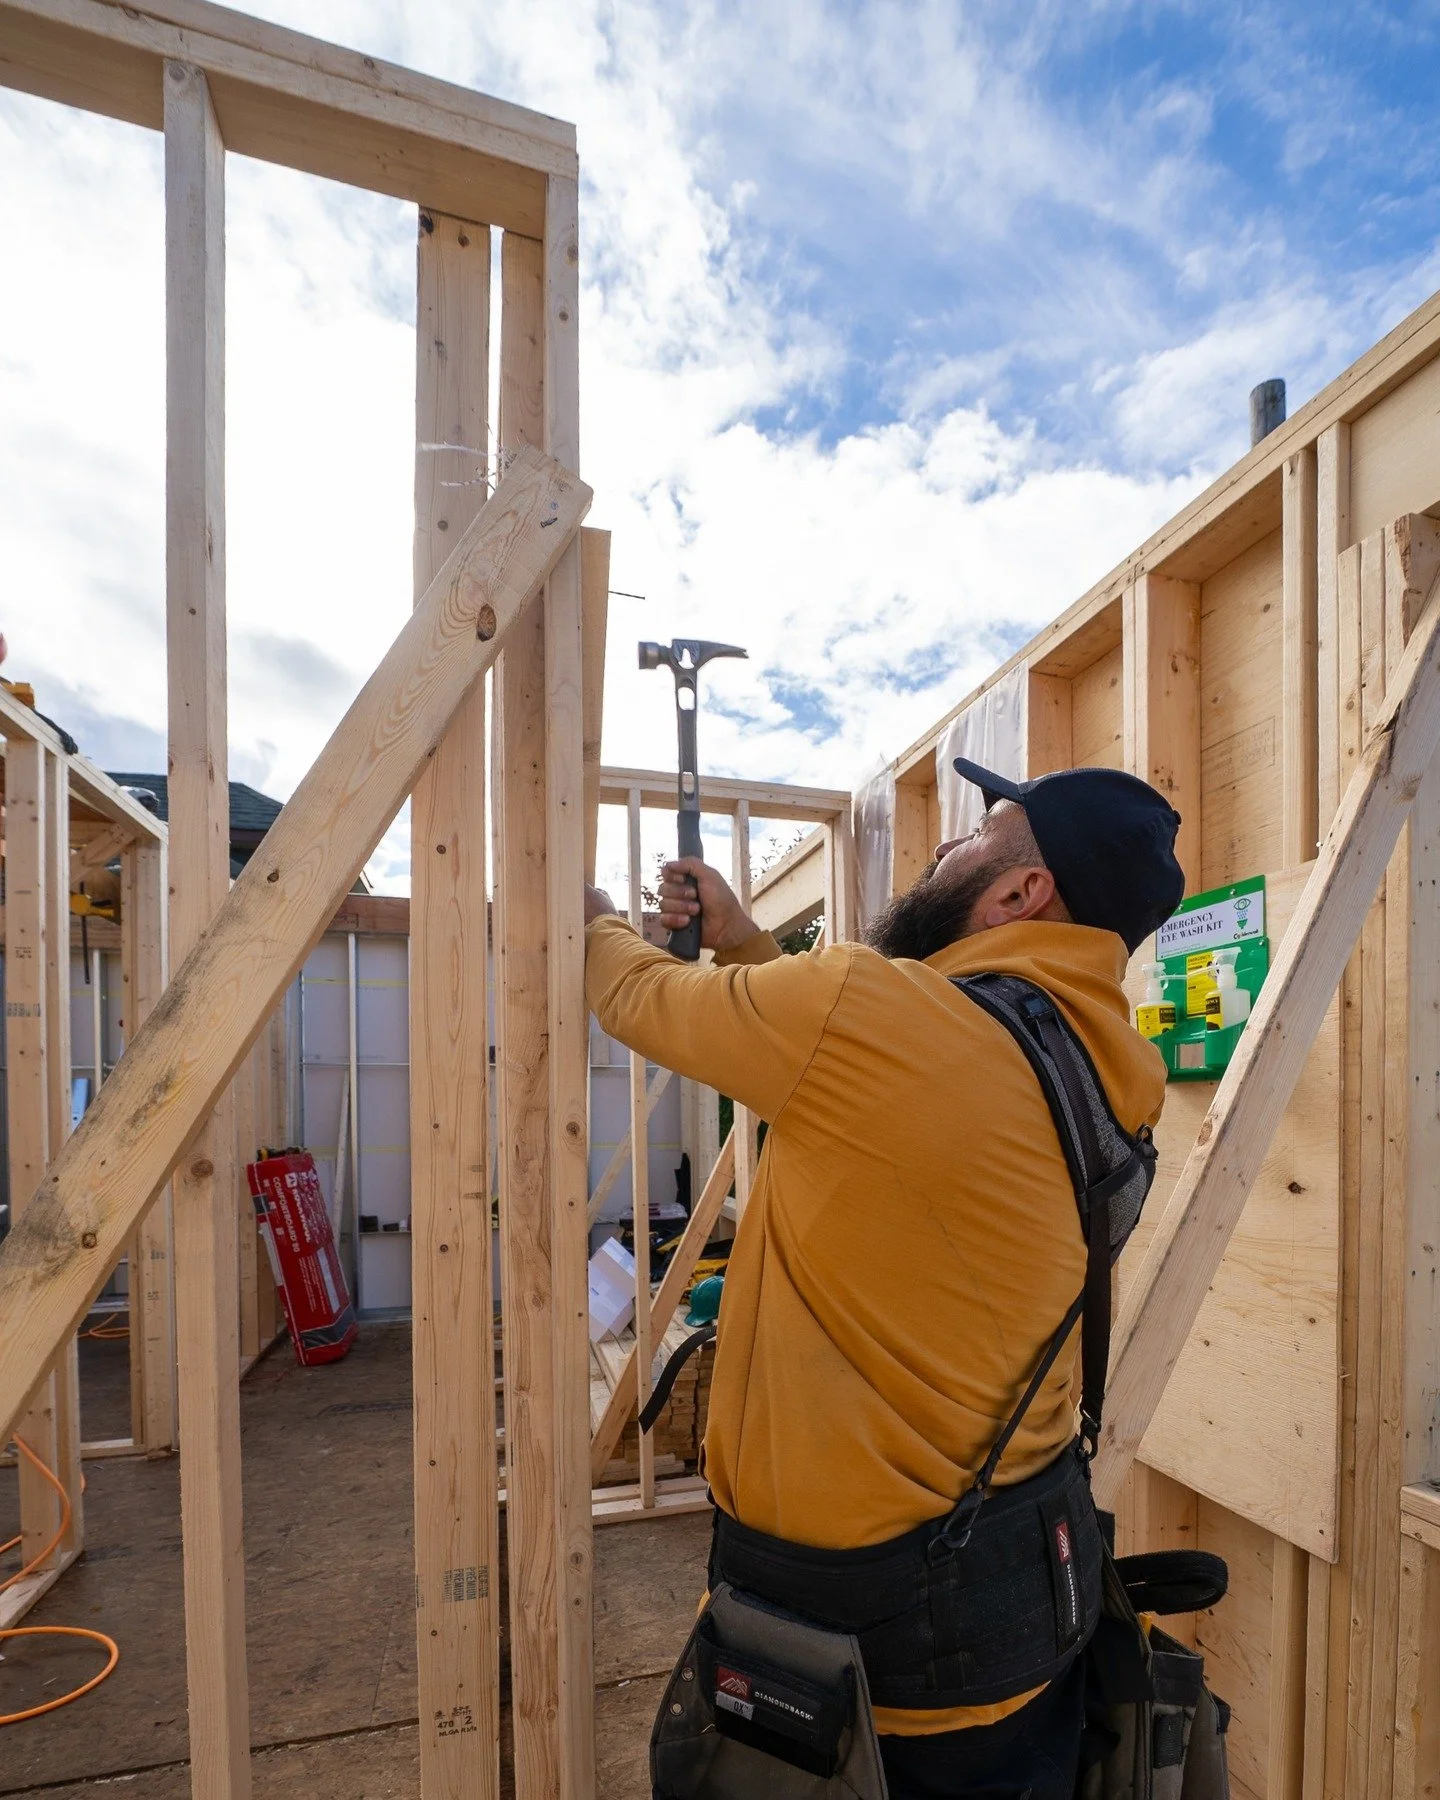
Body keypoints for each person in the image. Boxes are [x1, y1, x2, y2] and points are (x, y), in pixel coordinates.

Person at [584, 758, 1185, 1799]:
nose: (945, 846)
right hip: (1020, 1615)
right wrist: (746, 945)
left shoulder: (868, 1010)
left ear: (1016, 894)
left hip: (859, 1668)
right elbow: (869, 1104)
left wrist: (590, 918)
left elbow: (637, 995)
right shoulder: (1102, 1067)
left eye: (982, 831)